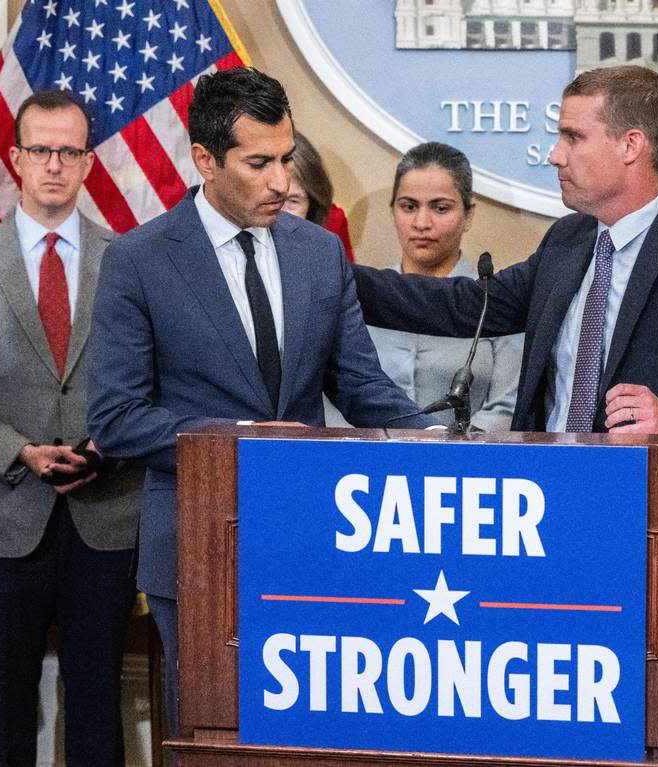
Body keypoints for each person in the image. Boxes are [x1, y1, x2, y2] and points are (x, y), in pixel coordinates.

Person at [86, 66, 434, 734]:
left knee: (308, 736)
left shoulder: (320, 252)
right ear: (205, 161)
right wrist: (246, 436)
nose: (281, 180)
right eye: (259, 162)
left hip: (314, 540)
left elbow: (362, 387)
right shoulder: (139, 259)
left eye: (285, 157)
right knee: (211, 732)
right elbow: (117, 419)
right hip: (195, 544)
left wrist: (441, 443)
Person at [355, 64, 658, 458]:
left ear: (631, 146)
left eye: (573, 137)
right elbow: (463, 305)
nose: (556, 155)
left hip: (648, 507)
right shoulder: (568, 241)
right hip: (548, 495)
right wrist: (332, 277)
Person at [0, 91, 141, 767]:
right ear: (15, 158)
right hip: (7, 517)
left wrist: (108, 446)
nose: (53, 165)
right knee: (8, 702)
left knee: (97, 697)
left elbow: (145, 385)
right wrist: (19, 451)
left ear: (88, 162)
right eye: (40, 149)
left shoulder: (128, 261)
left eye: (69, 151)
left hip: (105, 511)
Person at [327, 142, 522, 430]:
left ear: (468, 215)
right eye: (408, 207)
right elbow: (334, 397)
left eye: (440, 208)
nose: (421, 222)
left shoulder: (494, 303)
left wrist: (445, 455)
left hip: (470, 467)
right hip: (364, 466)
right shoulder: (354, 298)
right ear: (392, 211)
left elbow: (508, 406)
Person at [284, 131, 355, 261]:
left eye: (293, 201)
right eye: (273, 196)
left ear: (311, 207)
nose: (278, 211)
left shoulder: (331, 225)